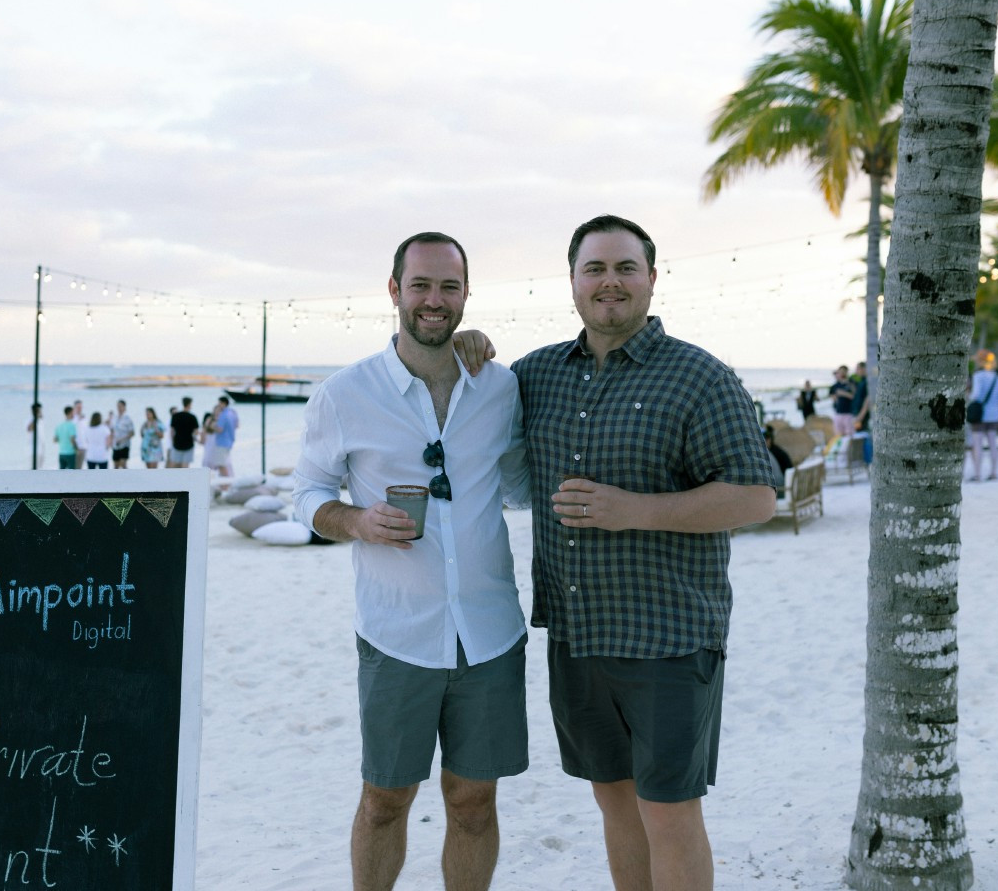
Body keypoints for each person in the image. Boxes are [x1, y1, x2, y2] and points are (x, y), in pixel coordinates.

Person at [474, 215, 776, 891]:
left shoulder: (700, 376)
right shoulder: (535, 375)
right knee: (613, 802)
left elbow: (757, 497)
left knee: (668, 809)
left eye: (625, 268)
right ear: (574, 282)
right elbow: (467, 412)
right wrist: (468, 349)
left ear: (651, 279)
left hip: (670, 632)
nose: (610, 282)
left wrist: (636, 510)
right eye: (595, 269)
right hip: (577, 634)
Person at [293, 232, 530, 891]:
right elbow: (306, 495)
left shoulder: (500, 388)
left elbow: (519, 483)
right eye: (421, 285)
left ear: (465, 295)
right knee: (383, 803)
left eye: (449, 287)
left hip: (490, 633)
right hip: (396, 635)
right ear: (394, 290)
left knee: (474, 805)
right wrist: (357, 521)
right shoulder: (345, 394)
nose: (434, 299)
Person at [966, 350, 998, 482]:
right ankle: (993, 473)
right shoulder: (997, 377)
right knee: (993, 444)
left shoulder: (978, 376)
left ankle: (978, 474)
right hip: (995, 415)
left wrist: (969, 396)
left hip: (980, 415)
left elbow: (976, 395)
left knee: (977, 445)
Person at [210, 395, 239, 478]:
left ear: (223, 403)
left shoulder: (223, 414)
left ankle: (225, 485)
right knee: (224, 463)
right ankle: (226, 484)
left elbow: (219, 429)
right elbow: (237, 425)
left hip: (222, 442)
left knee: (221, 465)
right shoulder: (232, 413)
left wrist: (212, 426)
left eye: (219, 403)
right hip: (230, 441)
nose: (218, 405)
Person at [168, 397, 199, 468]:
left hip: (177, 443)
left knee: (175, 464)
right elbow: (196, 432)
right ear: (189, 404)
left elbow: (172, 431)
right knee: (185, 466)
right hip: (188, 444)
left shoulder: (175, 416)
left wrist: (172, 442)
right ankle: (184, 479)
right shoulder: (192, 417)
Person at [764, 426, 794, 497]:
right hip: (788, 485)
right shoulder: (776, 450)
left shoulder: (771, 454)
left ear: (769, 440)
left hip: (783, 489)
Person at [829, 365, 857, 439]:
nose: (842, 373)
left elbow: (854, 396)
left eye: (844, 371)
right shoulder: (836, 385)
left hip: (849, 413)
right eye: (840, 372)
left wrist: (843, 393)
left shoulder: (851, 382)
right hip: (838, 413)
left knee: (849, 436)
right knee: (838, 436)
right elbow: (832, 396)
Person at [109, 399, 135, 469]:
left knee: (123, 464)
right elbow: (111, 430)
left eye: (120, 406)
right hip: (115, 445)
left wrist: (122, 439)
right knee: (116, 465)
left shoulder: (128, 418)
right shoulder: (114, 417)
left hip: (124, 445)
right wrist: (111, 441)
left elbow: (132, 433)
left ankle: (126, 479)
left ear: (124, 407)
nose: (119, 408)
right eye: (118, 406)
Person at [26, 402, 45, 469]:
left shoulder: (41, 420)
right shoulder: (30, 419)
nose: (40, 412)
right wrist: (36, 418)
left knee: (40, 469)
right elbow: (29, 428)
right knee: (33, 470)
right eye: (39, 410)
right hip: (33, 451)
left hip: (41, 450)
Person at [72, 399, 88, 467]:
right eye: (78, 407)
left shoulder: (85, 418)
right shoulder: (72, 419)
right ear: (74, 408)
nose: (80, 409)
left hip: (84, 446)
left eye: (81, 407)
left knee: (80, 467)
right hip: (75, 447)